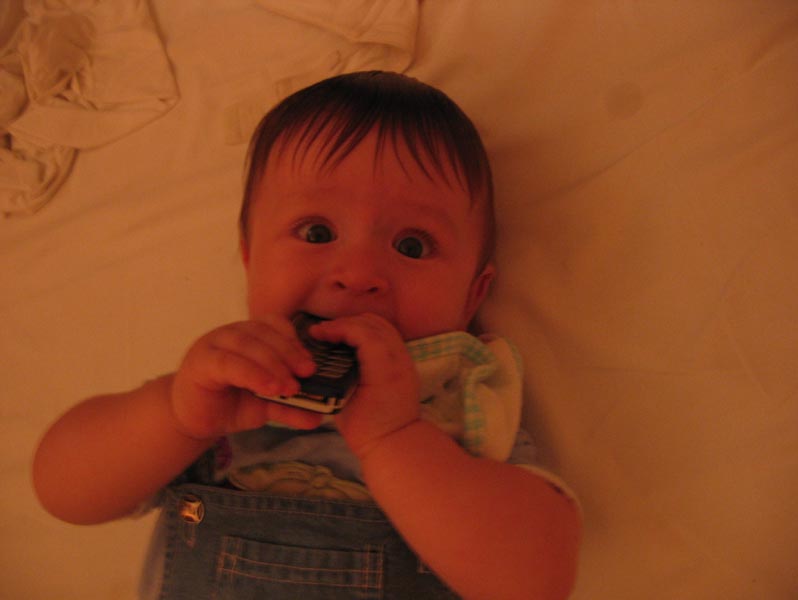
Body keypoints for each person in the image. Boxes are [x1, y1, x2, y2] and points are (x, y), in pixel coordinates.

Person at [32, 71, 581, 600]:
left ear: (473, 295)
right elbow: (62, 492)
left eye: (412, 246)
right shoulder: (221, 397)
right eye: (317, 232)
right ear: (250, 259)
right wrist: (175, 415)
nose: (358, 272)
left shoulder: (462, 402)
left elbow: (537, 579)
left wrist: (395, 439)